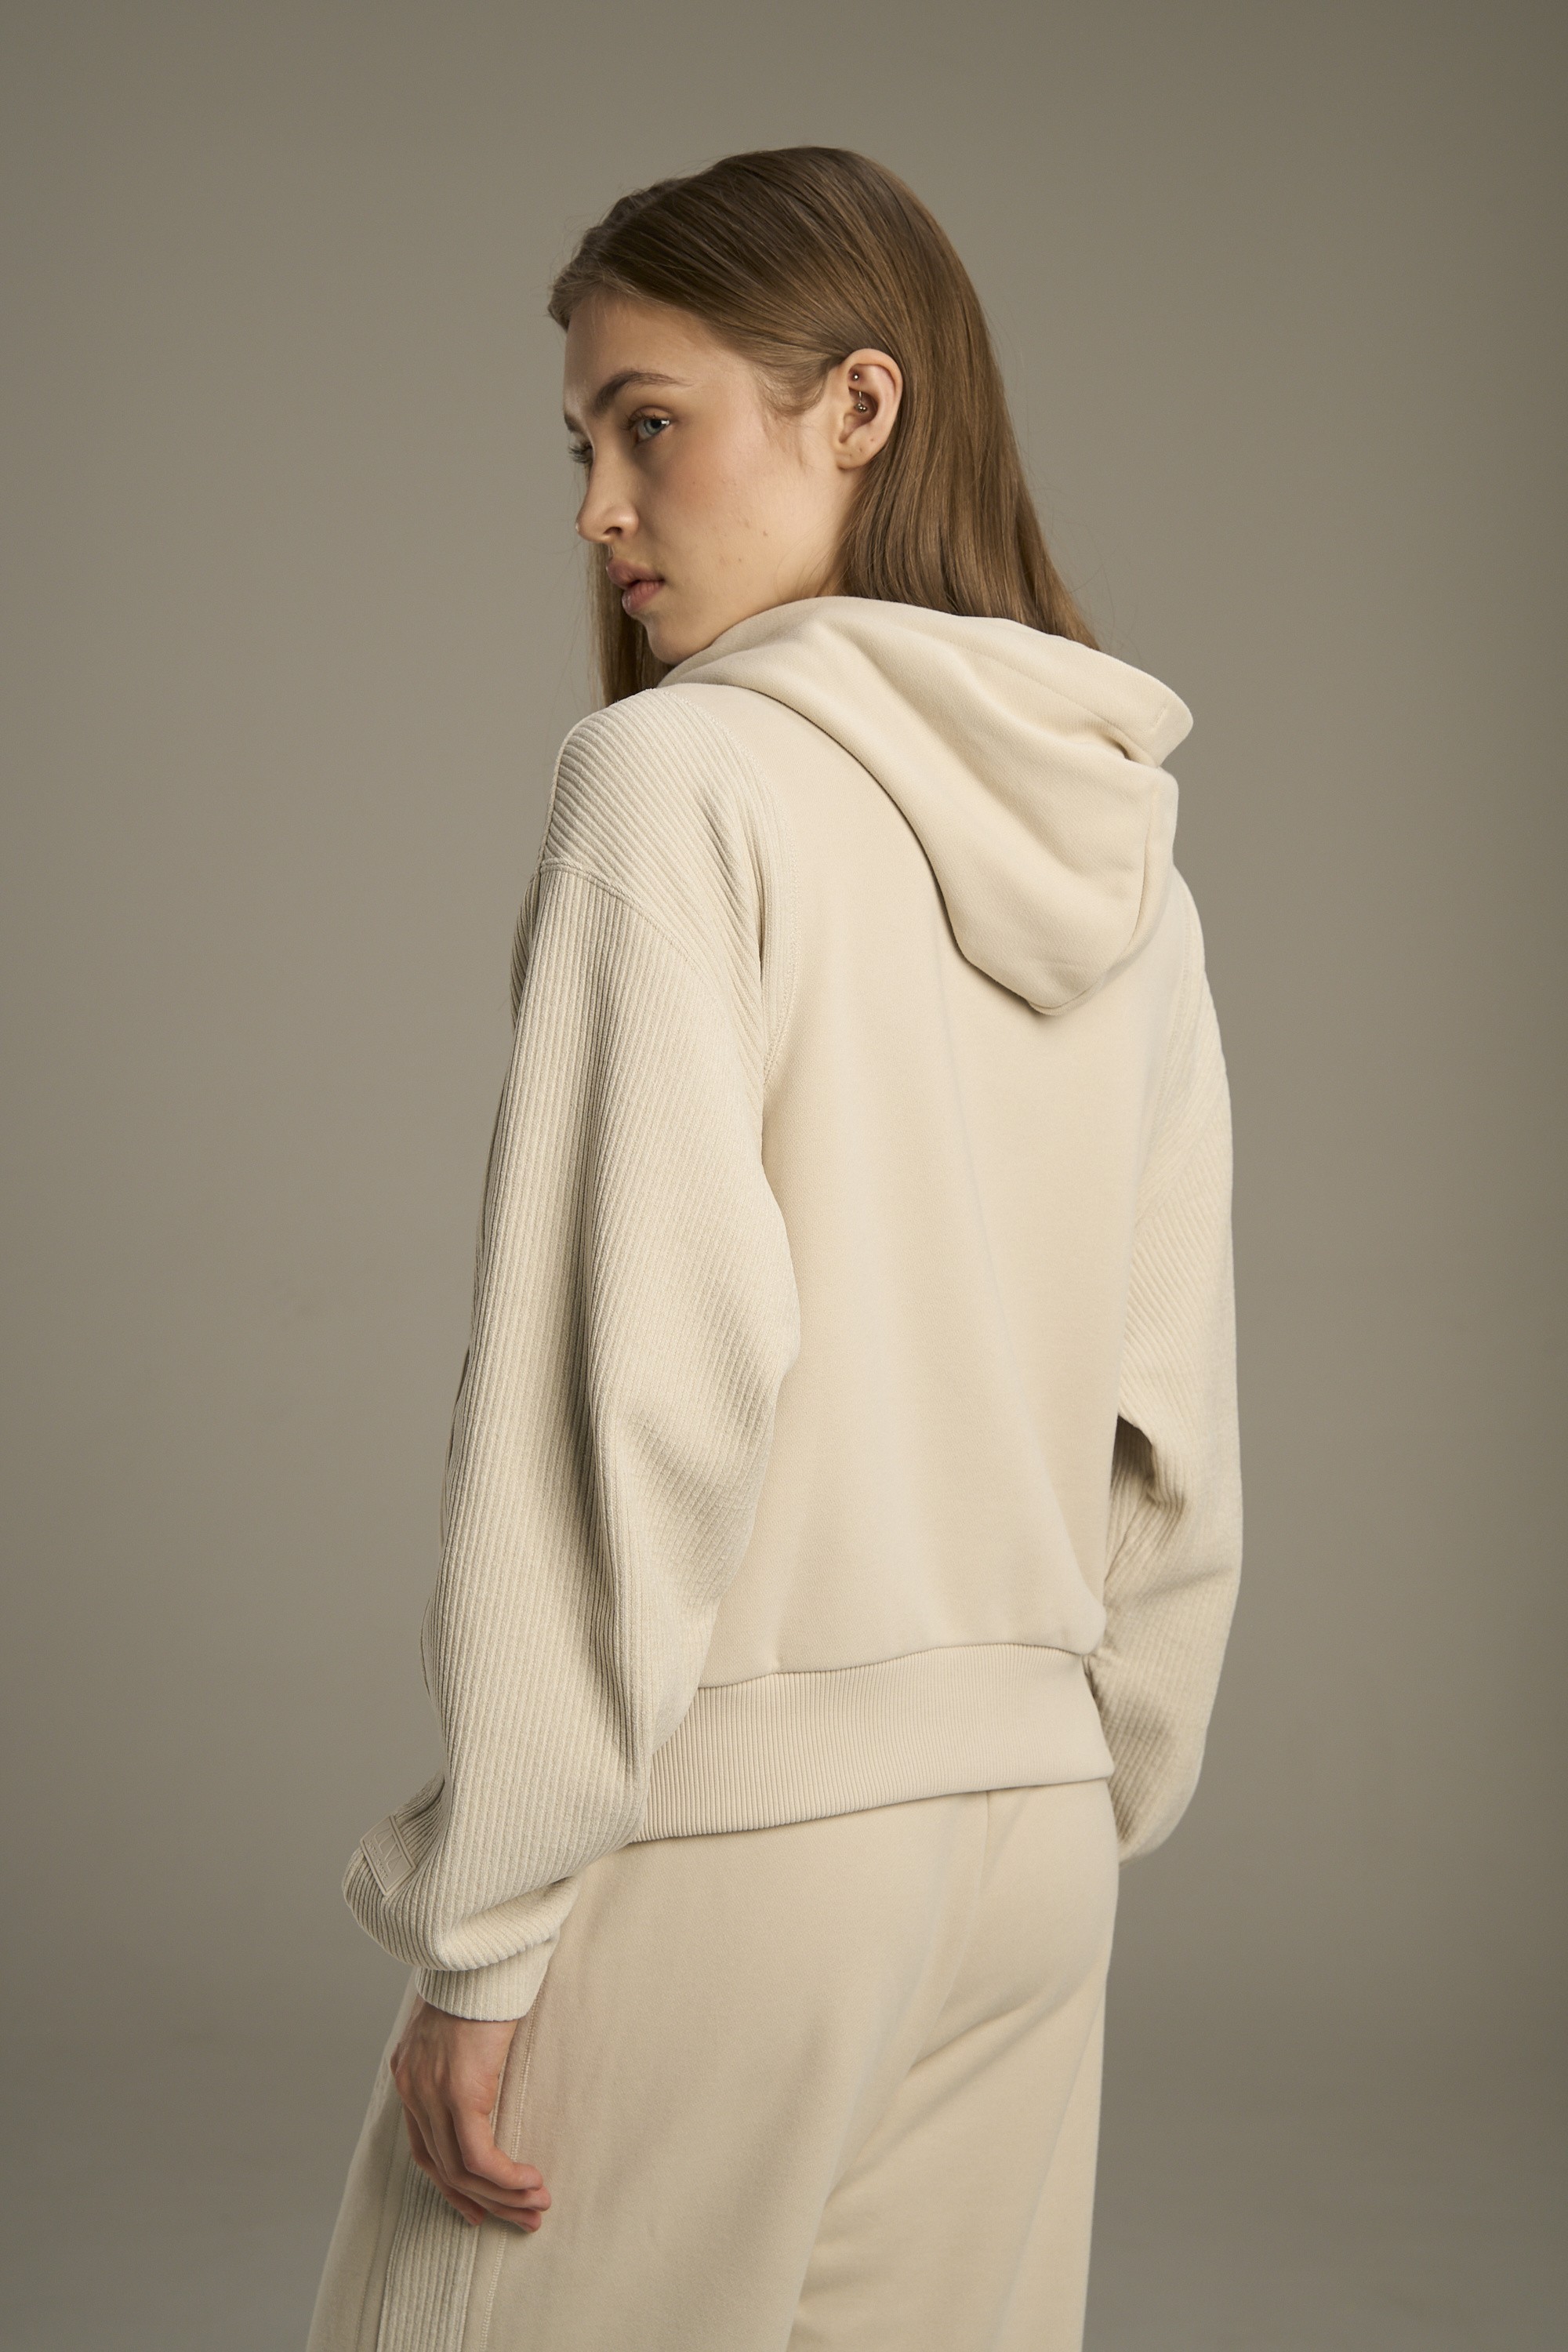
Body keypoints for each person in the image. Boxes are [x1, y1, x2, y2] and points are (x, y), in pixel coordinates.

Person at [307, 145, 1242, 2352]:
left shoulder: (676, 788)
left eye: (650, 424)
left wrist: (489, 1933)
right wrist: (1071, 1771)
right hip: (1028, 1853)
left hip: (736, 1843)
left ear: (860, 408)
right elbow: (1171, 1412)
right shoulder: (1126, 848)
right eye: (580, 444)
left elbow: (622, 1399)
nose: (599, 507)